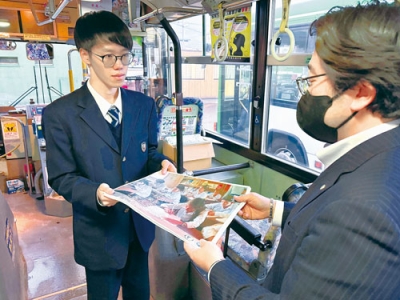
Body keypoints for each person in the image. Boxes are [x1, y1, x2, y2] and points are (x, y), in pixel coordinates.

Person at [184, 2, 400, 299]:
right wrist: (275, 209)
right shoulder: (380, 154)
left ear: (361, 93)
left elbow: (345, 218)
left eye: (312, 78)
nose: (307, 92)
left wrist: (215, 266)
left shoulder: (364, 210)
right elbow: (328, 226)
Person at [42, 10, 176, 300]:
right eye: (108, 56)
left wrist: (163, 164)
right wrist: (96, 194)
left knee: (139, 294)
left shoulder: (143, 105)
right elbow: (62, 177)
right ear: (85, 56)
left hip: (140, 229)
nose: (120, 66)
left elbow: (149, 153)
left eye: (125, 56)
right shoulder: (60, 114)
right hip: (99, 233)